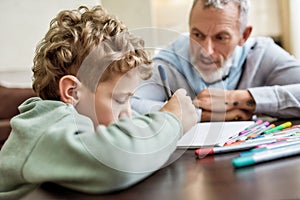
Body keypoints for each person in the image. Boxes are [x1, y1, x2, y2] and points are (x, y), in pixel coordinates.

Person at [0, 5, 197, 199]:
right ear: (72, 91)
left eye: (129, 99)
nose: (127, 113)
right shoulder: (45, 127)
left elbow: (135, 128)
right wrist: (172, 120)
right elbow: (116, 161)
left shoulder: (81, 118)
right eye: (120, 99)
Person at [131, 0, 300, 122]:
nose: (206, 50)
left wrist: (239, 98)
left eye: (221, 37)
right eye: (197, 35)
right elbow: (128, 105)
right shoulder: (169, 61)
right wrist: (201, 115)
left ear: (244, 36)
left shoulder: (262, 53)